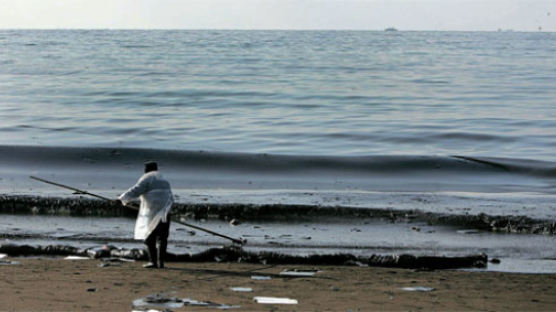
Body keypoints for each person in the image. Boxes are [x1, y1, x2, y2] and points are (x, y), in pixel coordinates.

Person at [117, 161, 173, 269]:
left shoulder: (147, 178)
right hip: (165, 211)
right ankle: (161, 263)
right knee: (162, 238)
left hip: (152, 211)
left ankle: (153, 262)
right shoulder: (164, 179)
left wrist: (121, 199)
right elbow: (170, 196)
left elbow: (136, 190)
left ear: (146, 169)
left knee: (149, 237)